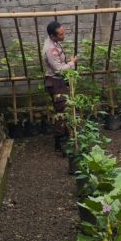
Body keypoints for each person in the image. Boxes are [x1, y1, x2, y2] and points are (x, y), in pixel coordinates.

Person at [44, 21, 77, 151]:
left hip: (58, 81)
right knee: (61, 111)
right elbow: (59, 69)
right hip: (55, 81)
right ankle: (60, 143)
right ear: (53, 36)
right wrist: (72, 63)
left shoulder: (55, 42)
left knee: (64, 109)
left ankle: (64, 137)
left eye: (63, 32)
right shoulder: (50, 49)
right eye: (61, 34)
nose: (64, 35)